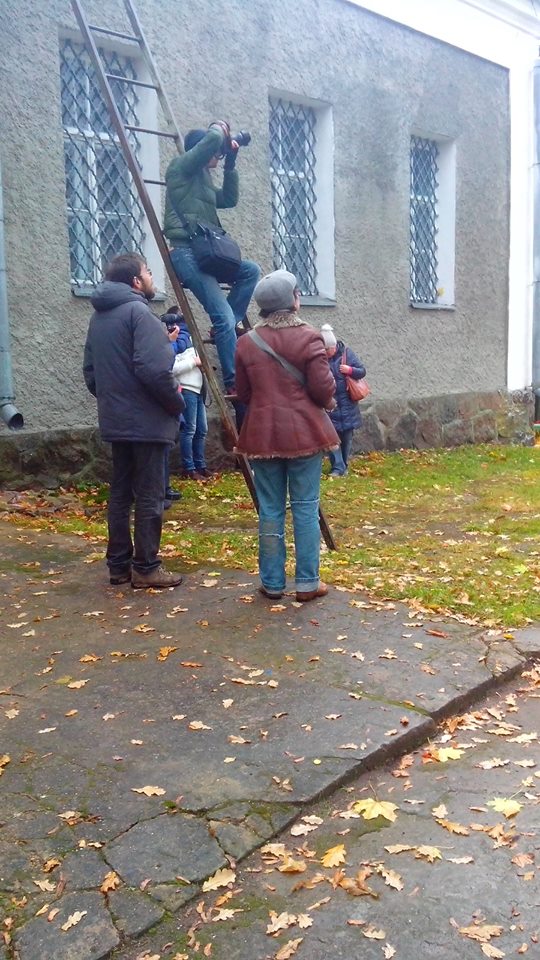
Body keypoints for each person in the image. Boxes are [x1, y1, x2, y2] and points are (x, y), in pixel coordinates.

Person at [234, 270, 339, 603]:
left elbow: (243, 394)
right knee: (305, 508)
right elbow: (323, 390)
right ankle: (307, 584)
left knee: (270, 509)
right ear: (294, 300)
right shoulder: (309, 337)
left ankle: (272, 583)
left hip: (262, 436)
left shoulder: (246, 342)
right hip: (305, 434)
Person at [83, 253, 185, 589]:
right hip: (148, 421)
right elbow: (154, 370)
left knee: (121, 493)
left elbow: (91, 373)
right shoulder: (139, 313)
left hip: (117, 419)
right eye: (148, 272)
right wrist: (176, 403)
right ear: (136, 281)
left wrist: (115, 400)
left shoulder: (99, 317)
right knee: (150, 495)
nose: (152, 277)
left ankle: (118, 566)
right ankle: (146, 567)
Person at [163, 120, 260, 392]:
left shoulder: (204, 180)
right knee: (224, 317)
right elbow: (211, 142)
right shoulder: (179, 168)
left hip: (207, 253)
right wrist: (219, 128)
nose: (218, 156)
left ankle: (223, 329)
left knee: (250, 271)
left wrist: (231, 163)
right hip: (186, 253)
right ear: (203, 150)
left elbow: (228, 199)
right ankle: (233, 383)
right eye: (216, 152)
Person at [321, 323, 367, 477]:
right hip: (330, 406)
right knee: (331, 438)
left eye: (327, 349)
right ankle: (337, 467)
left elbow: (362, 371)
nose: (325, 352)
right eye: (323, 349)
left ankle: (344, 465)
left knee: (347, 438)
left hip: (348, 405)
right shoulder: (320, 359)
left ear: (334, 346)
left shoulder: (347, 354)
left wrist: (350, 370)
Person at [171, 312, 212, 481]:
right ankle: (189, 468)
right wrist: (194, 362)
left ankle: (200, 465)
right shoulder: (177, 342)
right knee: (189, 430)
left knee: (201, 430)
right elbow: (172, 368)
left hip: (198, 390)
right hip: (187, 389)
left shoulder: (191, 340)